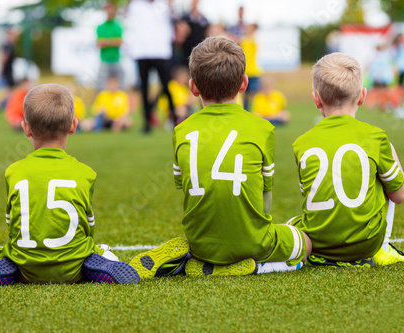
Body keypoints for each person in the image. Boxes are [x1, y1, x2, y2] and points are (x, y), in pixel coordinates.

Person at [129, 37, 311, 279]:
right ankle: (261, 265)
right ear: (244, 83)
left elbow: (187, 188)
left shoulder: (181, 130)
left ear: (193, 87)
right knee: (306, 242)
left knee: (209, 234)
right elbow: (265, 200)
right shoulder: (263, 128)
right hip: (253, 241)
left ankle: (198, 259)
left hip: (201, 243)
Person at [0, 84, 139, 287]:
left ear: (26, 128)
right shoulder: (86, 173)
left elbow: (12, 224)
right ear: (73, 126)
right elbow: (88, 226)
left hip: (26, 269)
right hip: (73, 270)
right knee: (102, 251)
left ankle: (7, 267)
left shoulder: (13, 172)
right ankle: (90, 266)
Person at [289, 53, 404, 268]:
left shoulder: (301, 143)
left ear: (316, 99)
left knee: (290, 226)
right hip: (366, 244)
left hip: (317, 243)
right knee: (383, 162)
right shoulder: (376, 137)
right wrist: (390, 151)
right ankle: (384, 246)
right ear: (362, 96)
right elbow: (399, 196)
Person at [125, 0, 177, 132]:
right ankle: (147, 123)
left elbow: (172, 23)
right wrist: (132, 50)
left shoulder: (164, 5)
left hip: (161, 52)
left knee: (167, 86)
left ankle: (174, 118)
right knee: (144, 89)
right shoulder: (135, 5)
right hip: (142, 52)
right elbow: (130, 26)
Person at [96, 2, 124, 91]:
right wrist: (113, 41)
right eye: (107, 9)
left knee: (121, 84)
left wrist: (106, 41)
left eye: (110, 9)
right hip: (104, 60)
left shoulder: (118, 26)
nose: (109, 11)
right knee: (101, 85)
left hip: (116, 59)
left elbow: (119, 42)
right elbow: (99, 43)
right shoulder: (100, 27)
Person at [0, 29, 19, 113]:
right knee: (8, 90)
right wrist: (2, 70)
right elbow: (3, 58)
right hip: (7, 71)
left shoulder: (8, 46)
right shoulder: (7, 46)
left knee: (9, 89)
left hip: (9, 70)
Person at [240, 23, 261, 110]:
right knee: (244, 94)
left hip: (254, 72)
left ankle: (252, 110)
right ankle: (245, 110)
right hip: (244, 71)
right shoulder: (243, 40)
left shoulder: (254, 39)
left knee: (252, 93)